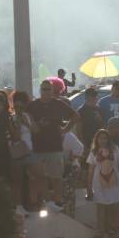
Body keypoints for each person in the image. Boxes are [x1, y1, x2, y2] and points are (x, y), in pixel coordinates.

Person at [27, 80, 80, 212]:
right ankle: (41, 202)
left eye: (48, 89)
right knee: (38, 177)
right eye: (43, 89)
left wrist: (65, 129)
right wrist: (35, 125)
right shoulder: (33, 105)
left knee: (56, 177)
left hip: (55, 146)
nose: (46, 92)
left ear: (52, 91)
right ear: (40, 90)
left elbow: (75, 116)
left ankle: (57, 202)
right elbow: (26, 119)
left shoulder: (58, 104)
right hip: (37, 147)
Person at [87, 129, 119, 238]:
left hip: (115, 182)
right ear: (97, 139)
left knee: (117, 206)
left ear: (108, 139)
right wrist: (89, 187)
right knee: (100, 207)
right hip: (98, 183)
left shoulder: (115, 149)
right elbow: (91, 170)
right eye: (100, 138)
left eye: (105, 138)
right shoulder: (93, 152)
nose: (103, 140)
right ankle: (100, 231)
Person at [78, 87, 105, 158]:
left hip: (99, 142)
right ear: (87, 97)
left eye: (95, 96)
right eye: (92, 96)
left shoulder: (99, 109)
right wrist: (83, 144)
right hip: (87, 142)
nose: (94, 98)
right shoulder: (81, 111)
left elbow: (102, 126)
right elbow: (79, 130)